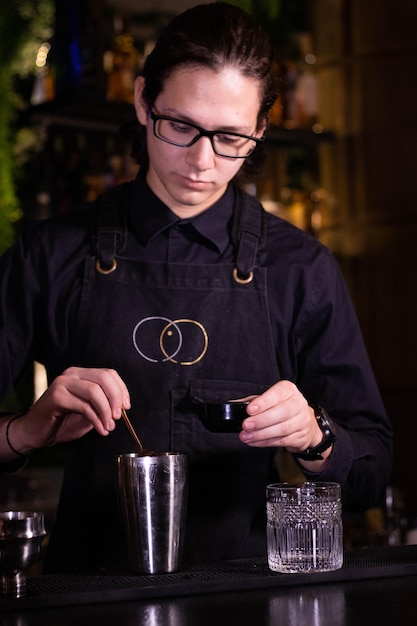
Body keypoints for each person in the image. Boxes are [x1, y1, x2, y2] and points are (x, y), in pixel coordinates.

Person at [0, 2, 391, 573]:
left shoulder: (300, 269)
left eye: (231, 136)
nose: (202, 162)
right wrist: (24, 432)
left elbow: (372, 473)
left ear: (259, 131)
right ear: (142, 101)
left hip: (246, 596)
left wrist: (315, 436)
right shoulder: (49, 253)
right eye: (180, 126)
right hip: (86, 596)